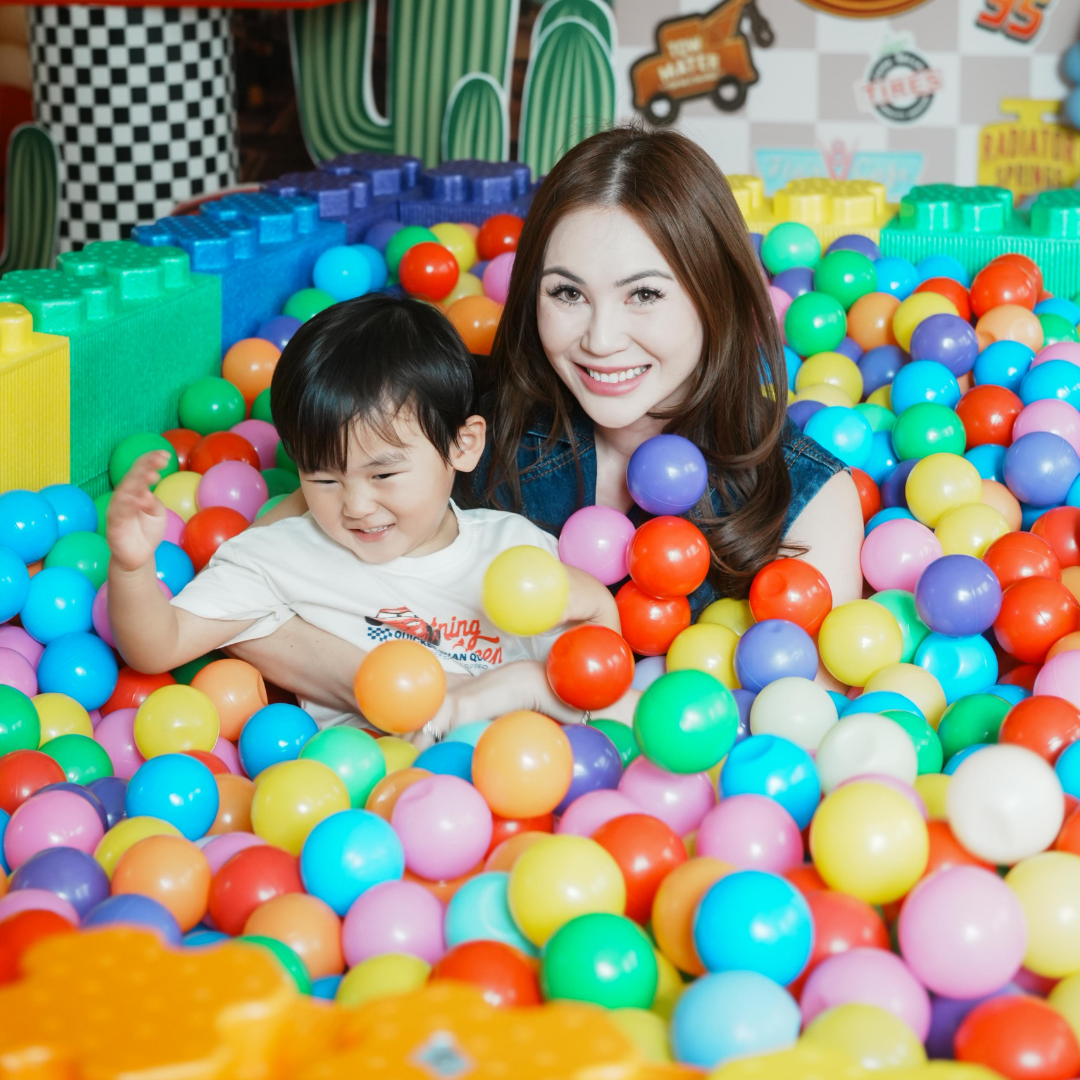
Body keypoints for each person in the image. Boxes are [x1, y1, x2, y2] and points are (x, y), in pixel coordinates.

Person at [237, 125, 863, 708]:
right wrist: (431, 701)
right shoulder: (457, 421)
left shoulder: (803, 494)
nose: (601, 339)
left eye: (644, 294)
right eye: (567, 293)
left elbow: (799, 714)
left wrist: (539, 700)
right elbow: (250, 582)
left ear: (715, 295)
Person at [106, 294, 623, 733]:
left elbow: (594, 689)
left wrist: (596, 605)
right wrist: (131, 566)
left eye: (383, 475)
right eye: (324, 480)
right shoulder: (284, 556)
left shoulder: (513, 548)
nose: (355, 506)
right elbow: (158, 646)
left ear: (462, 445)